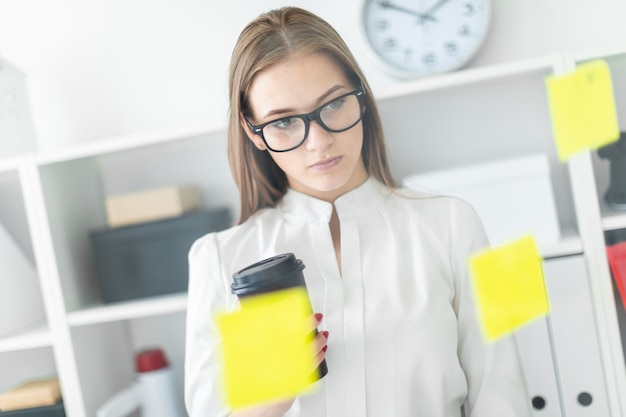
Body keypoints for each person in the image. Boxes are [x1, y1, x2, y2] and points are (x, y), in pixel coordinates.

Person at [185, 6, 532, 417]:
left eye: (332, 106)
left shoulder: (454, 225)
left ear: (361, 96)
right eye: (283, 123)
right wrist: (268, 396)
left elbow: (503, 397)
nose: (317, 142)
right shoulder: (218, 259)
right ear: (252, 131)